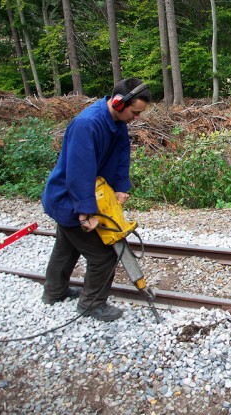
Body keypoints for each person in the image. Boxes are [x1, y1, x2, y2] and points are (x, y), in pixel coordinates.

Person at [41, 78, 151, 322]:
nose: (137, 118)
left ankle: (54, 292)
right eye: (135, 112)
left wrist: (121, 187)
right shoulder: (87, 124)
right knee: (104, 255)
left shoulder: (118, 123)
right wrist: (85, 211)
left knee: (66, 247)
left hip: (84, 197)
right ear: (118, 103)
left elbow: (122, 156)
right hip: (69, 199)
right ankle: (91, 304)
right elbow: (79, 171)